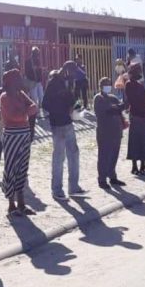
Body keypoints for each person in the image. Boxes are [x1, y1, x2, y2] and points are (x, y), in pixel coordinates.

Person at [44, 61, 86, 200]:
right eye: (73, 73)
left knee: (74, 153)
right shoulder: (54, 82)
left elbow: (71, 100)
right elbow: (45, 104)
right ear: (67, 71)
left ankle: (73, 187)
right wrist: (62, 108)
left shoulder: (67, 82)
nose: (74, 76)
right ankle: (56, 189)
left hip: (68, 123)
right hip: (58, 124)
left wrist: (75, 106)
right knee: (59, 157)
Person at [0, 68, 38, 216]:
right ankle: (11, 205)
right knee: (11, 168)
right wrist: (26, 112)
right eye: (18, 79)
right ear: (11, 82)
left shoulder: (21, 94)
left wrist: (24, 112)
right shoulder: (4, 97)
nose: (21, 81)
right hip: (12, 136)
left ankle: (21, 204)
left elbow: (34, 107)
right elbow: (14, 117)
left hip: (24, 134)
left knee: (22, 168)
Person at [93, 76, 127, 189]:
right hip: (104, 132)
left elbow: (122, 106)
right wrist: (117, 107)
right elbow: (108, 110)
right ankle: (102, 179)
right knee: (104, 156)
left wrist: (118, 105)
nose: (107, 86)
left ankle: (112, 176)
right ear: (101, 86)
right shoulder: (98, 98)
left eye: (109, 84)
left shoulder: (113, 97)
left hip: (116, 131)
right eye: (105, 84)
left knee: (114, 155)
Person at [125, 64, 145, 176]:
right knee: (135, 141)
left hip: (144, 115)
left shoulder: (142, 84)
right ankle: (134, 166)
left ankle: (143, 165)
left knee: (144, 141)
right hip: (136, 115)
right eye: (137, 71)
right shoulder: (129, 84)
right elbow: (132, 100)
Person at [24, 46, 44, 117]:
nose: (37, 55)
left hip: (38, 81)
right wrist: (33, 73)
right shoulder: (28, 61)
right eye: (36, 53)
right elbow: (27, 72)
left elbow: (39, 71)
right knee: (34, 98)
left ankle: (41, 109)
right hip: (32, 81)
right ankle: (36, 112)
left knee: (41, 96)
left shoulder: (37, 60)